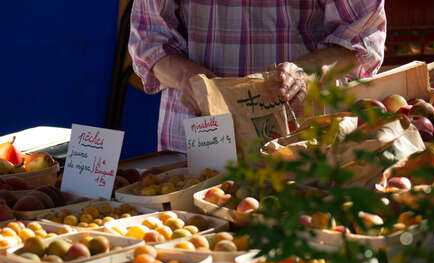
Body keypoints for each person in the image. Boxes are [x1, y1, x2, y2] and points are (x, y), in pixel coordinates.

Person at [128, 0, 386, 153]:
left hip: (299, 138)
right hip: (196, 141)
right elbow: (148, 41)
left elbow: (362, 36)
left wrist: (306, 72)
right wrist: (185, 76)